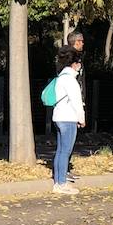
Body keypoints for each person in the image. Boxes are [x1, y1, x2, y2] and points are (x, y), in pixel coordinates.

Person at [51, 46, 85, 195]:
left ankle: (58, 181)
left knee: (60, 151)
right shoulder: (71, 81)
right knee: (66, 151)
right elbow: (77, 102)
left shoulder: (60, 78)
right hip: (69, 118)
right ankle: (61, 184)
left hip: (58, 117)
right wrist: (81, 118)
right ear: (74, 64)